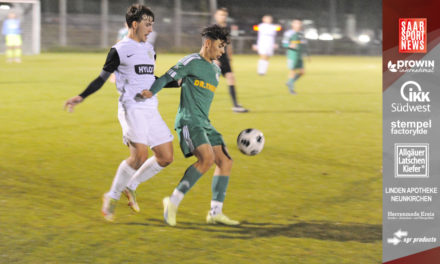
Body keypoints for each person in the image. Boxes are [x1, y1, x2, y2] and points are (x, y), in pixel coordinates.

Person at [64, 4, 177, 222]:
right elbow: (101, 79)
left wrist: (179, 82)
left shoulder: (149, 50)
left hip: (151, 108)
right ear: (134, 25)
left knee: (166, 157)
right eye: (147, 25)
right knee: (140, 156)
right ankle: (112, 195)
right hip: (131, 108)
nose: (151, 30)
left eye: (152, 25)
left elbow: (150, 80)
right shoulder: (119, 50)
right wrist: (81, 96)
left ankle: (131, 186)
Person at [140, 24, 239, 226]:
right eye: (220, 46)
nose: (222, 52)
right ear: (208, 43)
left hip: (204, 123)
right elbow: (169, 77)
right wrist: (151, 91)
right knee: (207, 158)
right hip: (188, 121)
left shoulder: (215, 70)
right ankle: (172, 202)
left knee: (225, 161)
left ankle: (215, 212)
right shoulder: (191, 61)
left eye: (224, 48)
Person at [213, 8, 248, 113]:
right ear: (216, 16)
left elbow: (228, 43)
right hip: (216, 58)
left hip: (224, 58)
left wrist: (230, 56)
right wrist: (213, 58)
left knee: (231, 78)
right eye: (220, 15)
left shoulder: (226, 28)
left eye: (224, 15)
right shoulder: (214, 28)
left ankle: (235, 105)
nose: (223, 17)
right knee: (209, 82)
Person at [282, 19, 307, 94]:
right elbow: (284, 44)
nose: (298, 25)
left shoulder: (301, 33)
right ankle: (291, 89)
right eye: (296, 24)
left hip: (299, 55)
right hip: (292, 54)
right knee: (292, 70)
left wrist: (305, 53)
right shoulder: (289, 33)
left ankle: (290, 82)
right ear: (293, 25)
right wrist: (290, 45)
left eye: (299, 24)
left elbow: (303, 43)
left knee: (302, 72)